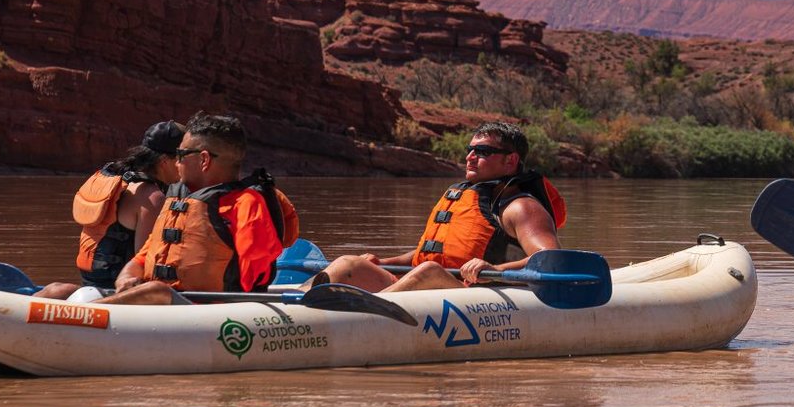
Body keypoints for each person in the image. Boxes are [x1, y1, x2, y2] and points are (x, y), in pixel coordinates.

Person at [318, 121, 567, 294]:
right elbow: (427, 255)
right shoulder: (465, 195)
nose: (470, 156)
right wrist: (382, 261)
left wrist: (494, 270)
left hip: (474, 295)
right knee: (348, 264)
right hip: (432, 288)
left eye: (483, 151)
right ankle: (294, 308)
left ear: (510, 160)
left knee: (429, 271)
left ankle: (366, 316)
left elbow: (549, 258)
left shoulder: (521, 206)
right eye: (470, 150)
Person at [107, 114, 300, 304]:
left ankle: (89, 316)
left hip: (211, 311)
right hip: (160, 302)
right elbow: (144, 256)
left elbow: (254, 276)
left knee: (156, 291)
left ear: (204, 160)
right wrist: (126, 276)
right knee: (77, 290)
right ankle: (90, 314)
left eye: (181, 155)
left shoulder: (247, 204)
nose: (176, 162)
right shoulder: (178, 199)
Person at [32, 122, 184, 301]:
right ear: (165, 161)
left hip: (90, 280)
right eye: (182, 158)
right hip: (117, 289)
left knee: (58, 290)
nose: (184, 165)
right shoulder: (152, 197)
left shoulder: (119, 178)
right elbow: (146, 264)